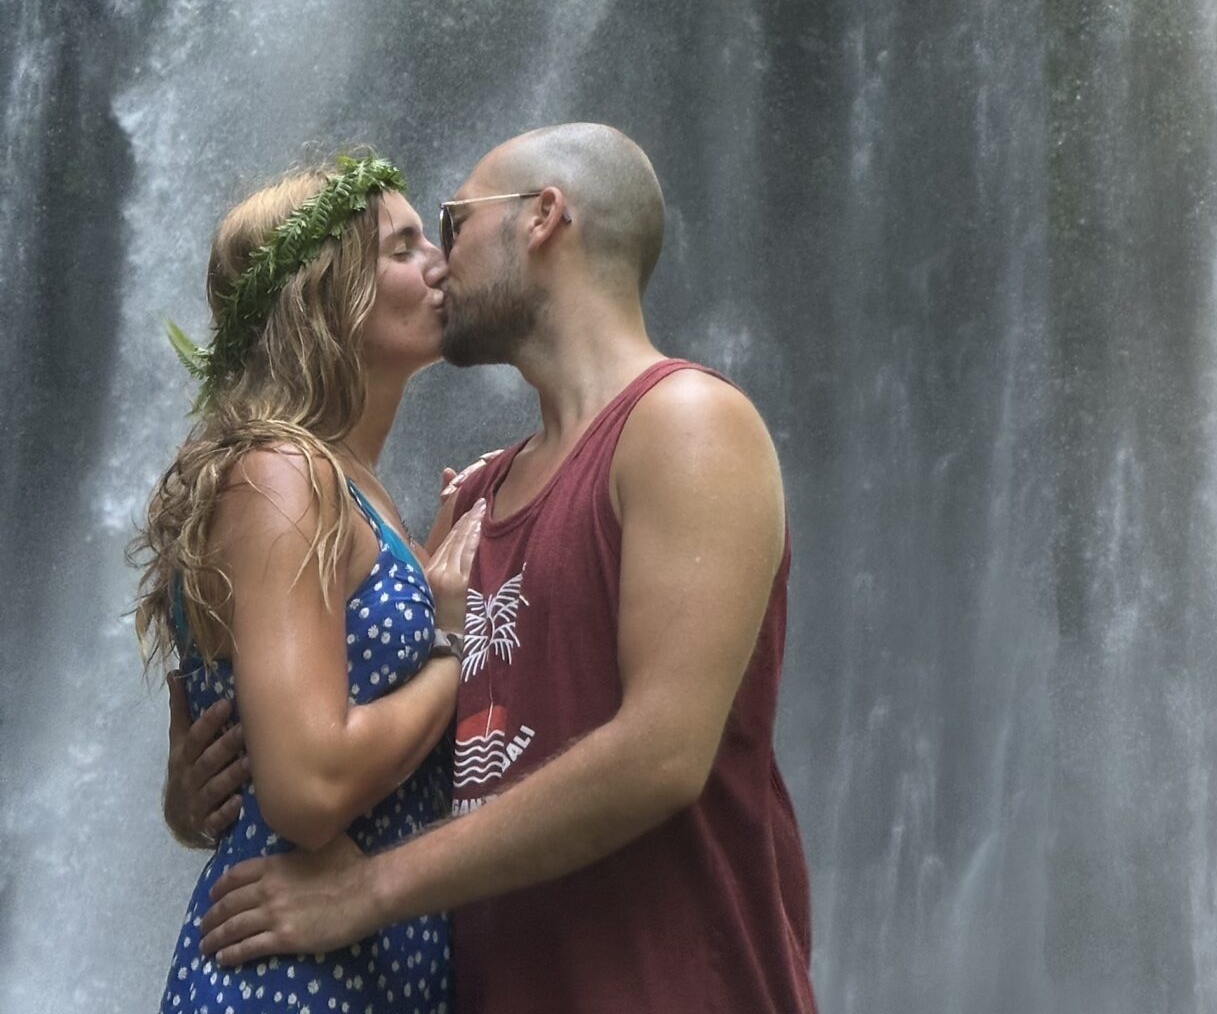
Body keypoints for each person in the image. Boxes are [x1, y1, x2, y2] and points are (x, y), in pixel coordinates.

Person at [191, 122, 817, 1014]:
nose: (439, 262)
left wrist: (368, 890)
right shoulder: (474, 498)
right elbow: (384, 739)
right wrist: (205, 779)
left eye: (450, 222)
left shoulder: (685, 424)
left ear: (543, 218)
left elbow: (662, 755)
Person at [137, 149, 484, 1014]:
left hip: (355, 969)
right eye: (404, 250)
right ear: (327, 299)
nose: (442, 263)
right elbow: (307, 790)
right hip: (290, 982)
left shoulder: (347, 485)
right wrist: (446, 647)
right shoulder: (280, 474)